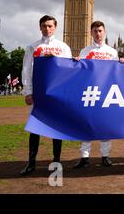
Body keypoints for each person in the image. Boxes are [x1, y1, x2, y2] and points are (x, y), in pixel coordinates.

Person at [20, 15, 72, 175]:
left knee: (57, 128)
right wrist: (28, 91)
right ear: (40, 27)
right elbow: (27, 70)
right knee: (35, 128)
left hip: (57, 93)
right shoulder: (33, 47)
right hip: (39, 93)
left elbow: (69, 71)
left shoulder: (63, 47)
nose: (47, 29)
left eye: (50, 26)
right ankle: (31, 162)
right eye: (44, 26)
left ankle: (56, 162)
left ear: (55, 27)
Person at [73, 21, 124, 169]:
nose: (98, 33)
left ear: (104, 32)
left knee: (105, 126)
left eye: (100, 31)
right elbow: (80, 71)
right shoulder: (85, 51)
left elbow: (117, 73)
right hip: (89, 92)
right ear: (91, 33)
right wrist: (75, 63)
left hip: (106, 93)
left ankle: (105, 156)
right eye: (95, 31)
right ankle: (84, 157)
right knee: (86, 125)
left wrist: (121, 62)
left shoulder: (112, 52)